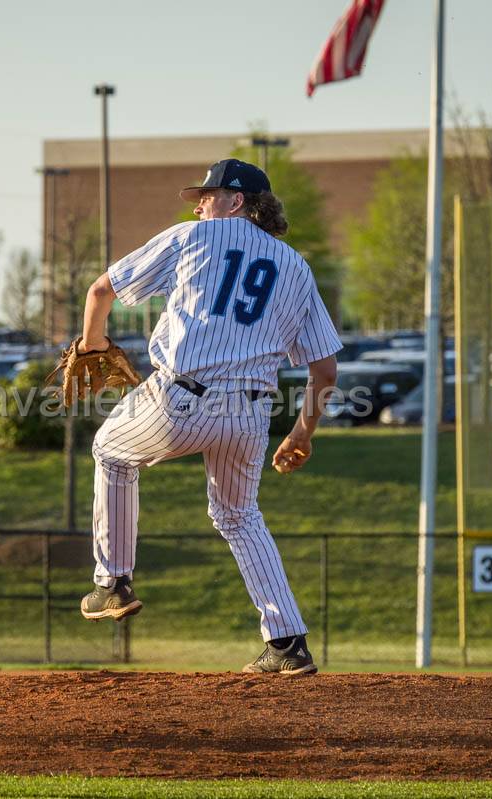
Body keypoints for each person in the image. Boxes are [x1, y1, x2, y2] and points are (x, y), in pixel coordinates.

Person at [75, 158, 341, 674]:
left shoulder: (193, 239)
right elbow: (325, 370)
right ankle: (287, 643)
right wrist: (302, 433)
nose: (198, 204)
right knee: (239, 516)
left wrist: (92, 345)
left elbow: (100, 291)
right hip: (251, 415)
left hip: (183, 399)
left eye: (208, 194)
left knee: (110, 451)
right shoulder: (297, 267)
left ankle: (112, 583)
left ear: (236, 202)